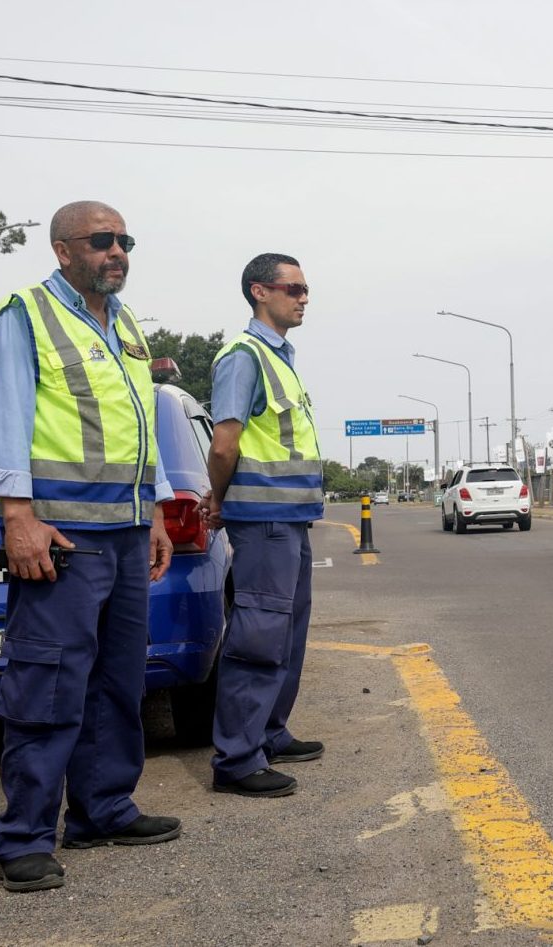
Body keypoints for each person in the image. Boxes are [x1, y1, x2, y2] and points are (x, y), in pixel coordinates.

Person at [0, 200, 179, 893]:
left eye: (125, 238)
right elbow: (4, 417)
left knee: (119, 682)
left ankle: (103, 808)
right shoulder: (25, 314)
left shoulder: (125, 325)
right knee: (49, 682)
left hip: (124, 532)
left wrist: (151, 512)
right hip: (64, 534)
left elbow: (138, 428)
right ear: (64, 250)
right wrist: (18, 517)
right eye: (102, 239)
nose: (117, 249)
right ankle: (24, 835)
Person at [203, 252, 324, 798]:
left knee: (289, 635)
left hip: (291, 520)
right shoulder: (244, 356)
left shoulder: (282, 358)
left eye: (304, 291)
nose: (303, 299)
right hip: (263, 520)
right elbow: (224, 443)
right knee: (258, 637)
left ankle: (270, 732)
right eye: (293, 289)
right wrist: (217, 499)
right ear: (260, 292)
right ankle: (236, 758)